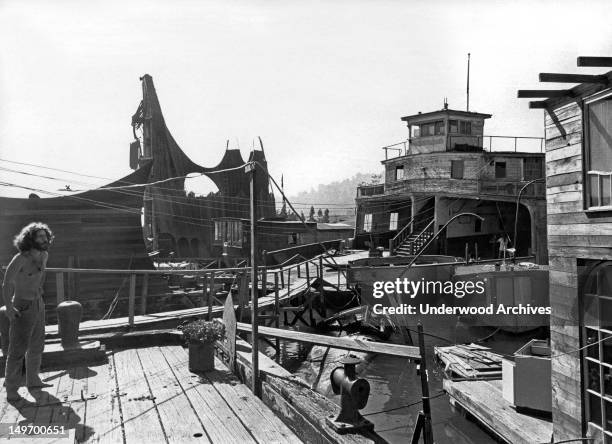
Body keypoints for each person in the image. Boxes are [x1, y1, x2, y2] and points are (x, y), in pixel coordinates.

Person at [2, 222, 54, 401]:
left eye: (45, 236)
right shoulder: (21, 258)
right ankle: (11, 390)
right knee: (17, 349)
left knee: (37, 345)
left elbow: (42, 274)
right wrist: (9, 307)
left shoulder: (44, 255)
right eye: (39, 236)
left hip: (38, 304)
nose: (44, 239)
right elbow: (7, 282)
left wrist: (40, 291)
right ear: (30, 239)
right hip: (22, 305)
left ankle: (34, 381)